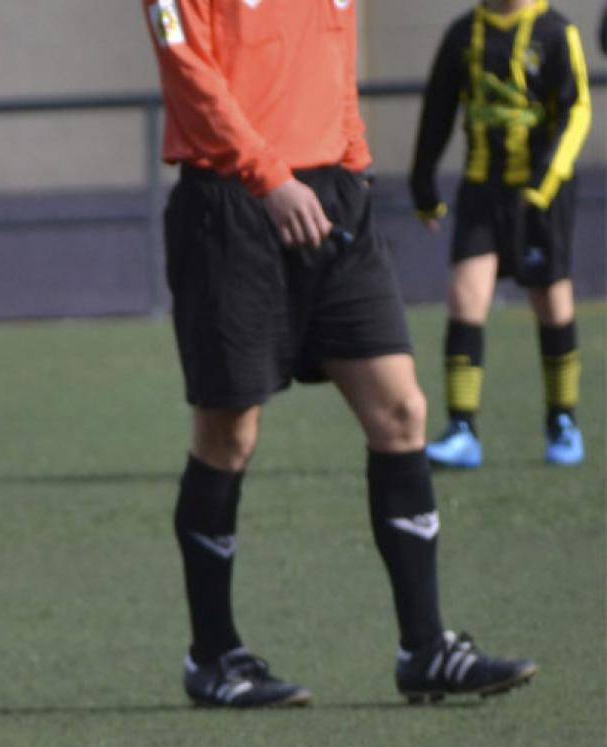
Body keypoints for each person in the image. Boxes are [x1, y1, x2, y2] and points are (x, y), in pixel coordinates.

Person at [142, 0, 539, 706]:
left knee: (402, 410)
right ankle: (214, 656)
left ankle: (425, 646)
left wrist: (354, 163)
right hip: (231, 205)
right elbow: (188, 72)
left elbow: (335, 61)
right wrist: (269, 177)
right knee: (228, 433)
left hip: (332, 198)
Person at [409, 0, 593, 469]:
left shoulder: (555, 32)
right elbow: (438, 108)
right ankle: (462, 429)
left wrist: (544, 183)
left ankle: (562, 421)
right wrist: (423, 181)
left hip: (541, 194)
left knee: (551, 303)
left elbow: (577, 112)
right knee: (465, 299)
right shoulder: (463, 34)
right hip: (480, 193)